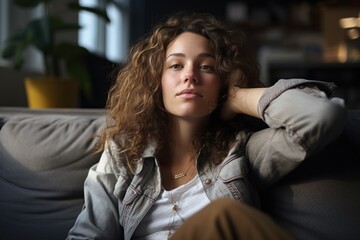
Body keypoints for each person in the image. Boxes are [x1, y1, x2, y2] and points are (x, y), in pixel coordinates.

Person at [66, 12, 346, 240]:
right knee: (224, 215)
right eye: (176, 66)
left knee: (224, 217)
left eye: (207, 67)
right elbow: (88, 235)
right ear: (156, 81)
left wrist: (236, 95)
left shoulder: (242, 151)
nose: (190, 75)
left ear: (221, 81)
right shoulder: (122, 153)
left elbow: (321, 117)